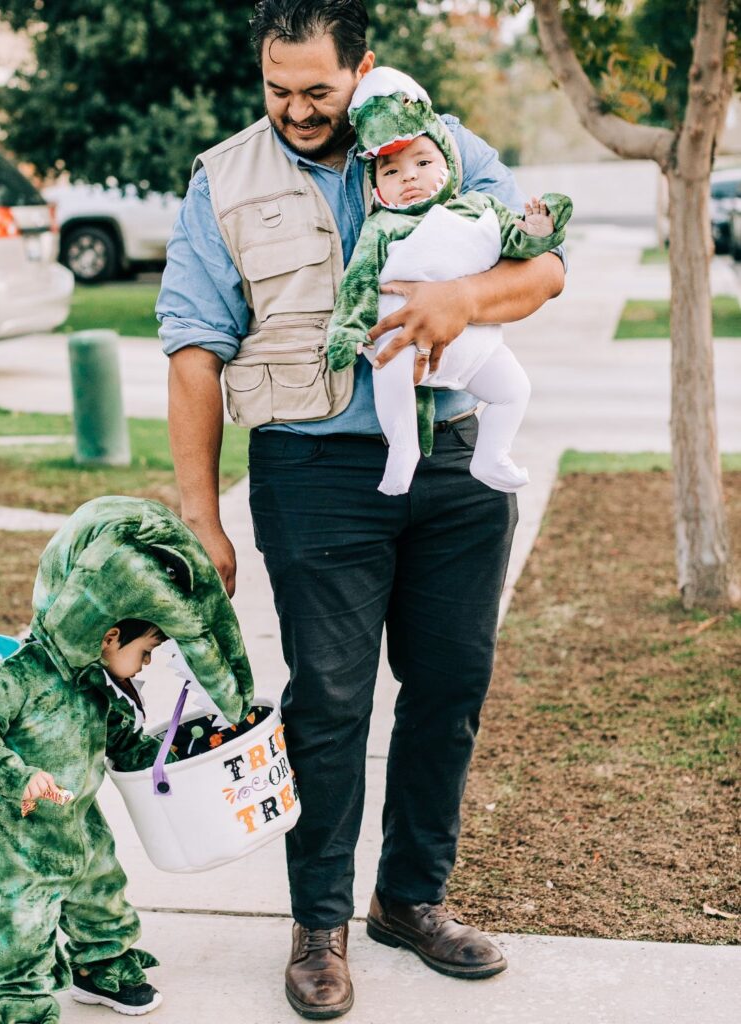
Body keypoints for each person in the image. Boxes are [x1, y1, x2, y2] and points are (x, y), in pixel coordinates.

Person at [158, 1, 566, 1018]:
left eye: (317, 90)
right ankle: (318, 926)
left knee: (449, 686)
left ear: (363, 69)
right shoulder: (223, 180)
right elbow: (193, 353)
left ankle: (410, 899)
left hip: (456, 466)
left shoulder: (445, 147)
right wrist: (200, 515)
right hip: (312, 472)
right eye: (275, 88)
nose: (294, 109)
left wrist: (465, 302)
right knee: (330, 701)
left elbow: (547, 265)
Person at [0, 496, 255, 1024]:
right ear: (109, 636)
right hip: (17, 840)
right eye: (145, 651)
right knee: (25, 923)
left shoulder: (94, 684)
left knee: (102, 898)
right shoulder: (20, 677)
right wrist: (19, 777)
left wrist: (171, 759)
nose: (147, 662)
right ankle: (23, 1001)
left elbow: (122, 741)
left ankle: (99, 967)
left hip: (78, 824)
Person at [328, 66, 572, 495]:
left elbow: (520, 244)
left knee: (514, 389)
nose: (409, 177)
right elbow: (358, 283)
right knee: (391, 374)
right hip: (397, 340)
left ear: (448, 162)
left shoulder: (480, 207)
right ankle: (403, 448)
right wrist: (347, 332)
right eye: (391, 171)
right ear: (377, 187)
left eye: (423, 163)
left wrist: (538, 227)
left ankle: (492, 454)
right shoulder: (381, 228)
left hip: (474, 347)